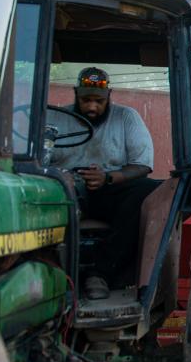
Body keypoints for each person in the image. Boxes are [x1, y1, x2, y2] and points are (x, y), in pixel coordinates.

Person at [50, 67, 160, 300]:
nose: (92, 107)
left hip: (107, 189)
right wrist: (59, 176)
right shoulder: (55, 118)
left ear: (109, 95)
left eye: (98, 101)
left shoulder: (126, 117)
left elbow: (142, 165)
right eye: (86, 100)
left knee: (149, 189)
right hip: (64, 187)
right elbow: (38, 157)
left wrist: (108, 178)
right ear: (75, 94)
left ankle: (100, 273)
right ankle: (50, 273)